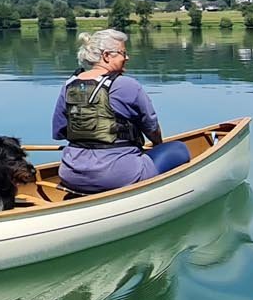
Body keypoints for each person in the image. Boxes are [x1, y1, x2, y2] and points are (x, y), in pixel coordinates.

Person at [49, 28, 189, 194]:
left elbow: (60, 132)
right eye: (123, 53)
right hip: (117, 176)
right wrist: (158, 146)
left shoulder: (69, 85)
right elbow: (152, 129)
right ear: (107, 56)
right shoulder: (127, 85)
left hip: (71, 174)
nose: (127, 57)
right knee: (179, 149)